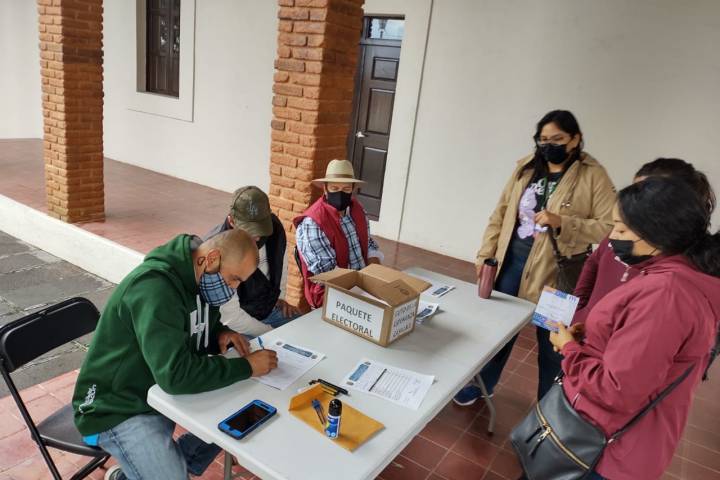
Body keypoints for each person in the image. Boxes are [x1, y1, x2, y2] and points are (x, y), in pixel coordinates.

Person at [549, 177, 720, 480]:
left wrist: (570, 349)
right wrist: (594, 338)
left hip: (607, 452)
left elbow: (616, 391)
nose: (612, 237)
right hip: (615, 441)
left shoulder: (666, 295)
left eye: (621, 229)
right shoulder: (671, 277)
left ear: (657, 233)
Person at [72, 230, 279, 480]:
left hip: (155, 395)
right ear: (211, 258)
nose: (234, 289)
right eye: (234, 278)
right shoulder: (154, 289)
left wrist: (220, 333)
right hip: (116, 407)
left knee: (238, 415)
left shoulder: (200, 277)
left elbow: (195, 323)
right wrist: (247, 367)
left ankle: (142, 472)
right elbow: (176, 376)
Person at [454, 110, 616, 406]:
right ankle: (482, 385)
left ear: (575, 139)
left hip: (556, 273)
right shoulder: (527, 167)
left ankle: (549, 404)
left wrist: (564, 222)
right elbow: (501, 213)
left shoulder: (593, 175)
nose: (549, 145)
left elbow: (608, 226)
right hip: (511, 263)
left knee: (552, 342)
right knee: (498, 332)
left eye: (557, 139)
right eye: (543, 139)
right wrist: (486, 253)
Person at [573, 158, 716, 324]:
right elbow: (593, 263)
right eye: (634, 192)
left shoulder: (672, 277)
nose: (632, 205)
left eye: (645, 196)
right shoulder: (621, 233)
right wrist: (579, 310)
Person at [206, 186, 302, 332]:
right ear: (232, 221)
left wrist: (279, 298)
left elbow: (280, 265)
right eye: (249, 231)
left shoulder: (274, 229)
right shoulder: (217, 252)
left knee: (303, 328)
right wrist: (270, 334)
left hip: (268, 307)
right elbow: (230, 317)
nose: (257, 237)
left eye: (261, 228)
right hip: (237, 321)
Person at [294, 159, 384, 308]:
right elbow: (328, 274)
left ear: (352, 189)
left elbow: (368, 244)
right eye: (334, 188)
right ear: (325, 189)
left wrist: (377, 277)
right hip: (331, 295)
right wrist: (365, 292)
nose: (340, 193)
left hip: (362, 287)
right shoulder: (313, 223)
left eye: (346, 188)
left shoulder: (358, 210)